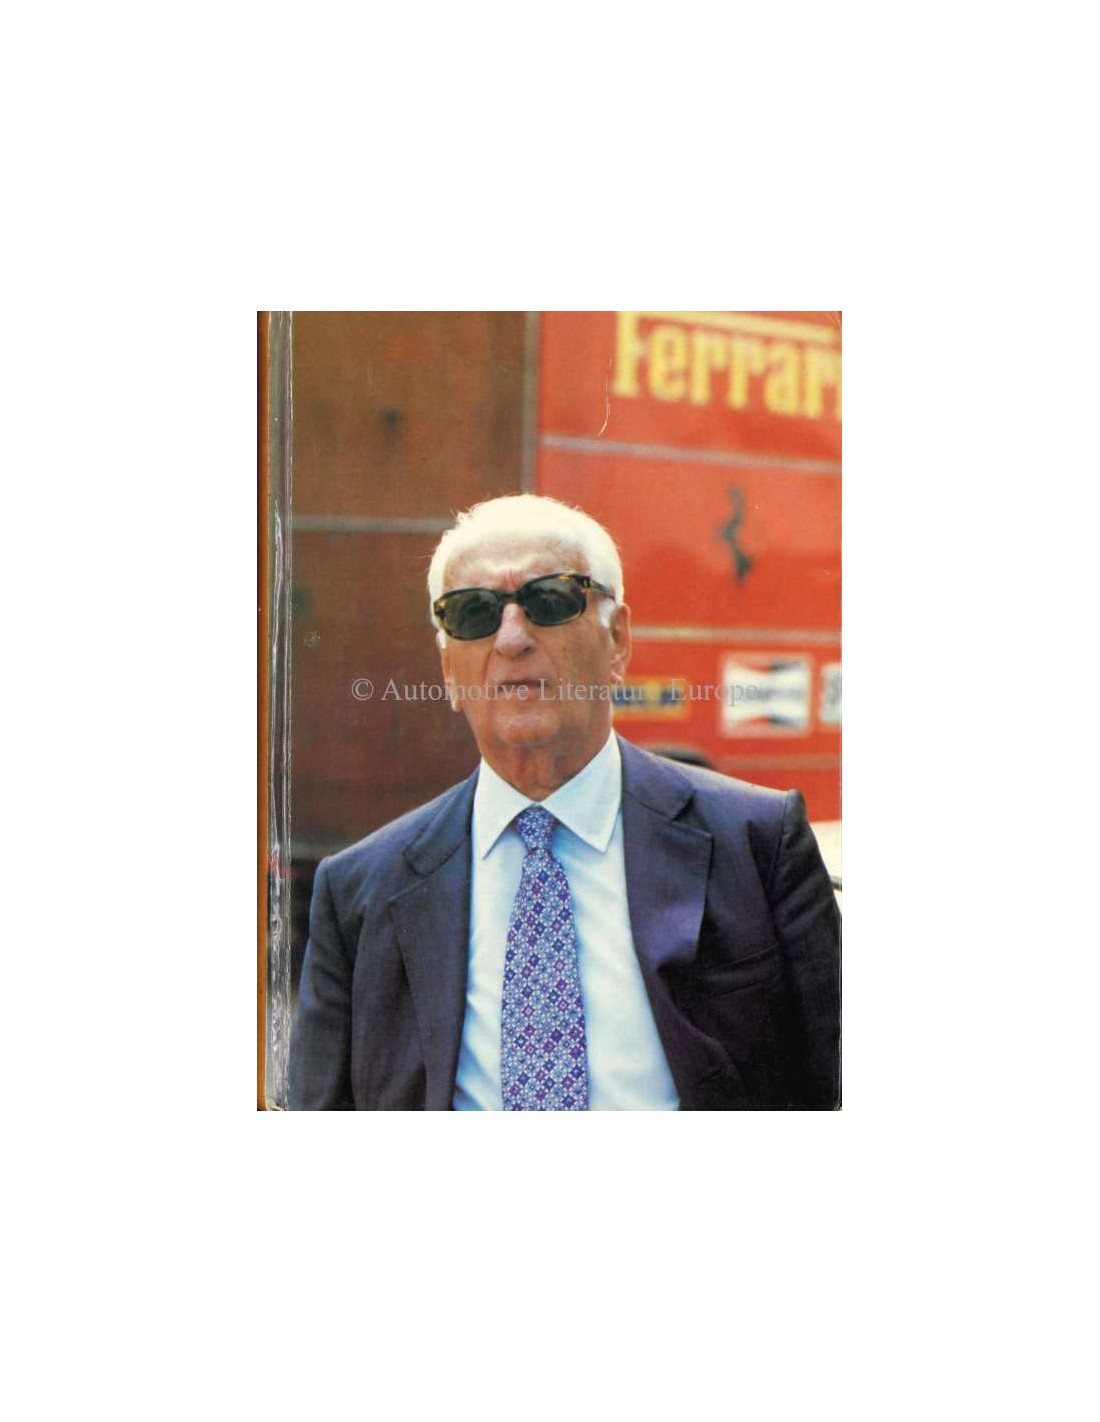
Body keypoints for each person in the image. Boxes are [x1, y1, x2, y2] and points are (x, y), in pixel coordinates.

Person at [290, 494, 840, 1110]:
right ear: (448, 671)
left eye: (551, 600)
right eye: (473, 612)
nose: (511, 638)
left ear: (618, 641)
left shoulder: (760, 843)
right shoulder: (358, 894)